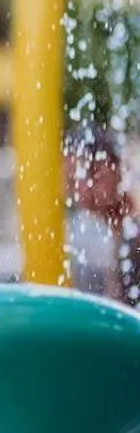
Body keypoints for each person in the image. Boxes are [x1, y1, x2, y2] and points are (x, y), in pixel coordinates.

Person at [64, 125, 139, 306]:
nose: (81, 190)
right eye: (72, 180)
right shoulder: (113, 235)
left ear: (118, 167)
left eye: (93, 174)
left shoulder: (135, 233)